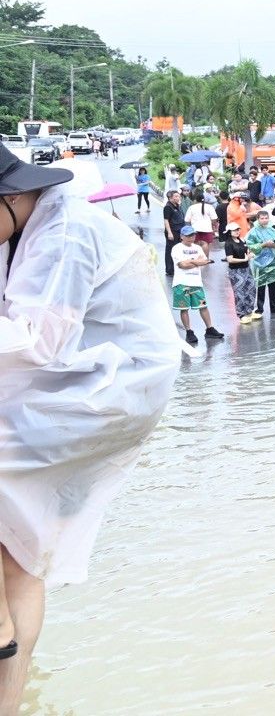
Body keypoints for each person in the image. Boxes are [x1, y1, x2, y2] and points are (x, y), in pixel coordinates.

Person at [0, 146, 180, 701]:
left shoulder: (65, 233)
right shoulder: (21, 230)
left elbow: (39, 341)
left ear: (10, 197)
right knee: (19, 554)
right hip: (71, 380)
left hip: (110, 386)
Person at [171, 227, 225, 346]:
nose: (191, 238)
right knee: (184, 308)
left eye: (193, 235)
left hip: (196, 282)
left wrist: (190, 261)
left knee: (203, 306)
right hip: (181, 283)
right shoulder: (177, 248)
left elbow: (205, 261)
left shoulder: (198, 248)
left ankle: (209, 329)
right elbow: (182, 265)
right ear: (182, 236)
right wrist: (197, 262)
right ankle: (189, 331)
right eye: (188, 236)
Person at [247, 210, 275, 317]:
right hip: (260, 262)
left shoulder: (272, 230)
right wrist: (263, 245)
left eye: (266, 218)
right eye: (262, 218)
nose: (264, 220)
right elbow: (251, 246)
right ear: (258, 219)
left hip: (273, 260)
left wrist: (274, 245)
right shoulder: (253, 232)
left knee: (273, 285)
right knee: (261, 286)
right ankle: (259, 308)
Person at [222, 220, 257, 324]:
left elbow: (247, 251)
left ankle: (249, 310)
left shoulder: (241, 240)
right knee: (239, 292)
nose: (237, 231)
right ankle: (241, 314)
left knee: (251, 289)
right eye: (234, 230)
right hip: (235, 270)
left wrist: (250, 255)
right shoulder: (228, 244)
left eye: (238, 229)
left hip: (246, 269)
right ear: (229, 232)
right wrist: (244, 259)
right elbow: (230, 259)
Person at [184, 192, 217, 260]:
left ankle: (197, 259)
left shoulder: (191, 207)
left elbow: (187, 220)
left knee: (195, 244)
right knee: (205, 244)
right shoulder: (209, 207)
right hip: (207, 229)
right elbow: (214, 219)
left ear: (195, 200)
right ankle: (205, 259)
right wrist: (213, 226)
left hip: (195, 229)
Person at [160, 189, 185, 278]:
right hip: (172, 231)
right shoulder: (168, 207)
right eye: (176, 196)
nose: (178, 198)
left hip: (179, 231)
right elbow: (166, 220)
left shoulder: (177, 205)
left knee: (178, 250)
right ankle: (170, 270)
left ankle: (177, 267)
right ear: (170, 198)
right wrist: (169, 233)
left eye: (179, 196)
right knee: (171, 250)